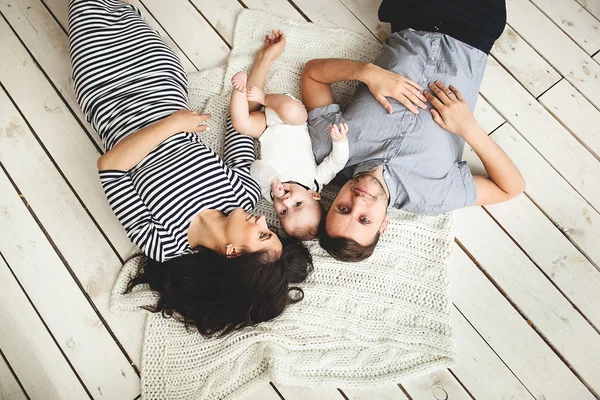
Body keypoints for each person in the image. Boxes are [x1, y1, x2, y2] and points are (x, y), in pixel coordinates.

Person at [68, 0, 313, 335]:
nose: (262, 218)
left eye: (262, 233)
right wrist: (264, 61)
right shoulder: (243, 194)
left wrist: (172, 125)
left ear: (231, 253)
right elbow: (237, 123)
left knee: (86, 6)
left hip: (107, 92)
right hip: (161, 77)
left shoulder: (163, 243)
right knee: (124, 10)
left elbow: (111, 166)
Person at [302, 0, 525, 262]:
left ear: (330, 203)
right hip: (474, 28)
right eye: (364, 219)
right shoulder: (432, 196)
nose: (359, 201)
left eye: (343, 208)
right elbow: (511, 188)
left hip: (411, 13)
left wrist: (367, 72)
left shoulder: (328, 148)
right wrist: (469, 128)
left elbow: (313, 75)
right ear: (382, 225)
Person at [229, 31, 350, 241]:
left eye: (283, 212)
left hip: (266, 128)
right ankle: (263, 95)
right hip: (291, 118)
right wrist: (340, 142)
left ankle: (250, 76)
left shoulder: (269, 194)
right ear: (313, 195)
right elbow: (337, 163)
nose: (285, 201)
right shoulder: (315, 180)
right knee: (294, 113)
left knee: (241, 123)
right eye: (297, 204)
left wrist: (271, 178)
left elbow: (254, 168)